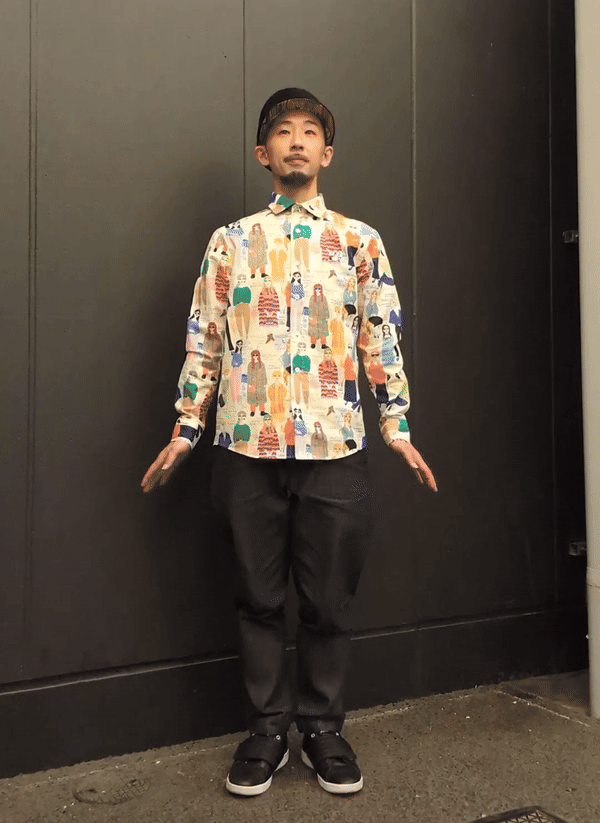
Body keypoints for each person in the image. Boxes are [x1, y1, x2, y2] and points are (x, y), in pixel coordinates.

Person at [141, 88, 437, 798]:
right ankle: (268, 730)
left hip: (336, 450)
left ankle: (324, 729)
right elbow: (204, 340)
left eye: (310, 132)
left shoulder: (359, 242)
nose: (297, 140)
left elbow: (380, 338)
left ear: (326, 154)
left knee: (329, 602)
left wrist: (396, 424)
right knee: (258, 598)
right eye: (282, 131)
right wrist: (186, 427)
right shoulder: (231, 241)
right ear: (262, 152)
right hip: (246, 450)